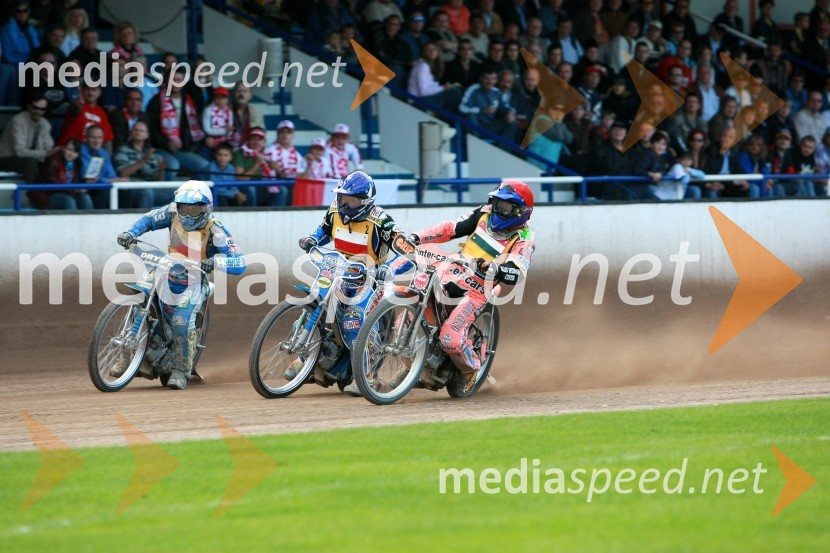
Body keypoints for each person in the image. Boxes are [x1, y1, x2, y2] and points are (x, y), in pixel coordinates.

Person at [115, 181, 246, 390]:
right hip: (165, 269)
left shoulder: (217, 230)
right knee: (140, 297)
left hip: (194, 280)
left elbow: (239, 262)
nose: (189, 213)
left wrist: (215, 262)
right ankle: (125, 357)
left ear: (207, 208)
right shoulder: (171, 212)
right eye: (185, 208)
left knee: (180, 321)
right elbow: (148, 219)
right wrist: (131, 233)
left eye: (195, 209)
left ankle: (181, 370)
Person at [408, 181, 534, 393]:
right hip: (452, 271)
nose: (497, 208)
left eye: (504, 206)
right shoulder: (483, 213)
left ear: (521, 212)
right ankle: (413, 366)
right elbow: (450, 228)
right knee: (412, 309)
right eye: (496, 202)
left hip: (480, 288)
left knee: (450, 339)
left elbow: (518, 271)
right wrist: (417, 237)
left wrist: (497, 268)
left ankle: (471, 369)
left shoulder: (524, 239)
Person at [293, 171, 408, 396]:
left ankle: (367, 376)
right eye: (342, 197)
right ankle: (304, 357)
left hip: (370, 280)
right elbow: (324, 230)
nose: (344, 204)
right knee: (313, 305)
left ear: (365, 201)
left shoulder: (382, 221)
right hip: (336, 271)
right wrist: (313, 238)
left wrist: (389, 268)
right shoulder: (334, 210)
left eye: (351, 200)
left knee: (353, 322)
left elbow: (407, 251)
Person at [0, 96, 58, 184]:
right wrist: (45, 153)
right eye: (35, 108)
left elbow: (48, 147)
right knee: (30, 162)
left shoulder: (45, 123)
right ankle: (34, 191)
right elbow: (20, 152)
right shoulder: (18, 121)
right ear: (29, 106)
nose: (38, 111)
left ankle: (56, 190)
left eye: (42, 109)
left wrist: (53, 152)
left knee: (52, 161)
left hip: (32, 159)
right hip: (6, 158)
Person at [113, 121, 165, 208]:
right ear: (131, 133)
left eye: (141, 131)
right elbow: (122, 173)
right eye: (135, 130)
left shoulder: (149, 153)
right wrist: (143, 160)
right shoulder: (122, 150)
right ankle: (144, 217)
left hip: (150, 187)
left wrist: (161, 170)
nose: (138, 133)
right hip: (130, 188)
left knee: (177, 193)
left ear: (147, 135)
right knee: (147, 192)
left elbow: (158, 182)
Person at [30, 138, 90, 210]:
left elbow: (78, 181)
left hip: (69, 192)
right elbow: (55, 185)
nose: (71, 154)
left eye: (75, 152)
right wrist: (74, 189)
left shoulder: (78, 163)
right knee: (68, 201)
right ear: (63, 148)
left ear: (78, 154)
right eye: (69, 149)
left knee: (85, 198)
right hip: (47, 194)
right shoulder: (52, 161)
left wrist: (86, 183)